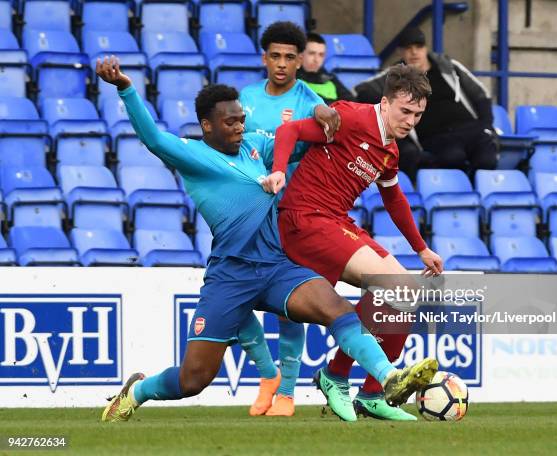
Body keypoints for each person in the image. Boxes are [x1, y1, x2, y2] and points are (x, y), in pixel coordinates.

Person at [96, 57, 438, 423]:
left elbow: (302, 135)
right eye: (230, 122)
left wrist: (324, 110)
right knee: (193, 379)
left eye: (242, 119)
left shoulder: (255, 145)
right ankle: (137, 391)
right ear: (207, 125)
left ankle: (386, 379)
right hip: (232, 276)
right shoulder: (193, 155)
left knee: (338, 309)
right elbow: (152, 137)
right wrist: (126, 89)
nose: (239, 127)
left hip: (276, 267)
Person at [262, 64, 444, 422]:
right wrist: (280, 170)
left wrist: (420, 247)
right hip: (304, 217)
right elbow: (289, 130)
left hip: (336, 222)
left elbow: (394, 199)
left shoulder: (391, 150)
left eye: (418, 115)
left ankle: (372, 394)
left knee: (406, 294)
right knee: (395, 285)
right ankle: (336, 375)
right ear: (385, 102)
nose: (410, 121)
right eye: (405, 111)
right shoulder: (350, 117)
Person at [237, 21, 340, 418]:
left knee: (287, 308)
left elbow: (323, 113)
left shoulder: (306, 97)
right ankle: (268, 375)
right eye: (275, 56)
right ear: (264, 58)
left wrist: (324, 112)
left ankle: (288, 393)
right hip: (244, 214)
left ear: (300, 61)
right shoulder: (244, 97)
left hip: (284, 215)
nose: (281, 64)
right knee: (233, 300)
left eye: (289, 58)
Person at [355, 27, 497, 177]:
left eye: (419, 47)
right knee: (453, 159)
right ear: (400, 52)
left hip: (470, 127)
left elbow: (481, 95)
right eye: (408, 48)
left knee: (487, 161)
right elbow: (361, 90)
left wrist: (486, 125)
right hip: (436, 136)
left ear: (425, 48)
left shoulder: (448, 66)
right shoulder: (396, 75)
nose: (414, 52)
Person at [297, 32, 355, 104]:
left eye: (321, 55)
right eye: (311, 53)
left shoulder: (330, 78)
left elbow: (352, 103)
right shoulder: (292, 80)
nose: (316, 60)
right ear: (300, 54)